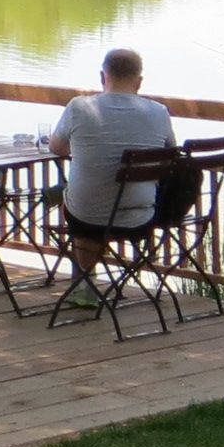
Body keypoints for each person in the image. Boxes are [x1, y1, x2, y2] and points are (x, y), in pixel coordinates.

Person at [47, 46, 176, 277]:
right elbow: (171, 153)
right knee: (88, 199)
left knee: (73, 199)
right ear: (139, 82)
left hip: (87, 219)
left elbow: (56, 148)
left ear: (102, 77)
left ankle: (85, 282)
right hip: (141, 217)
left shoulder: (79, 107)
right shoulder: (159, 112)